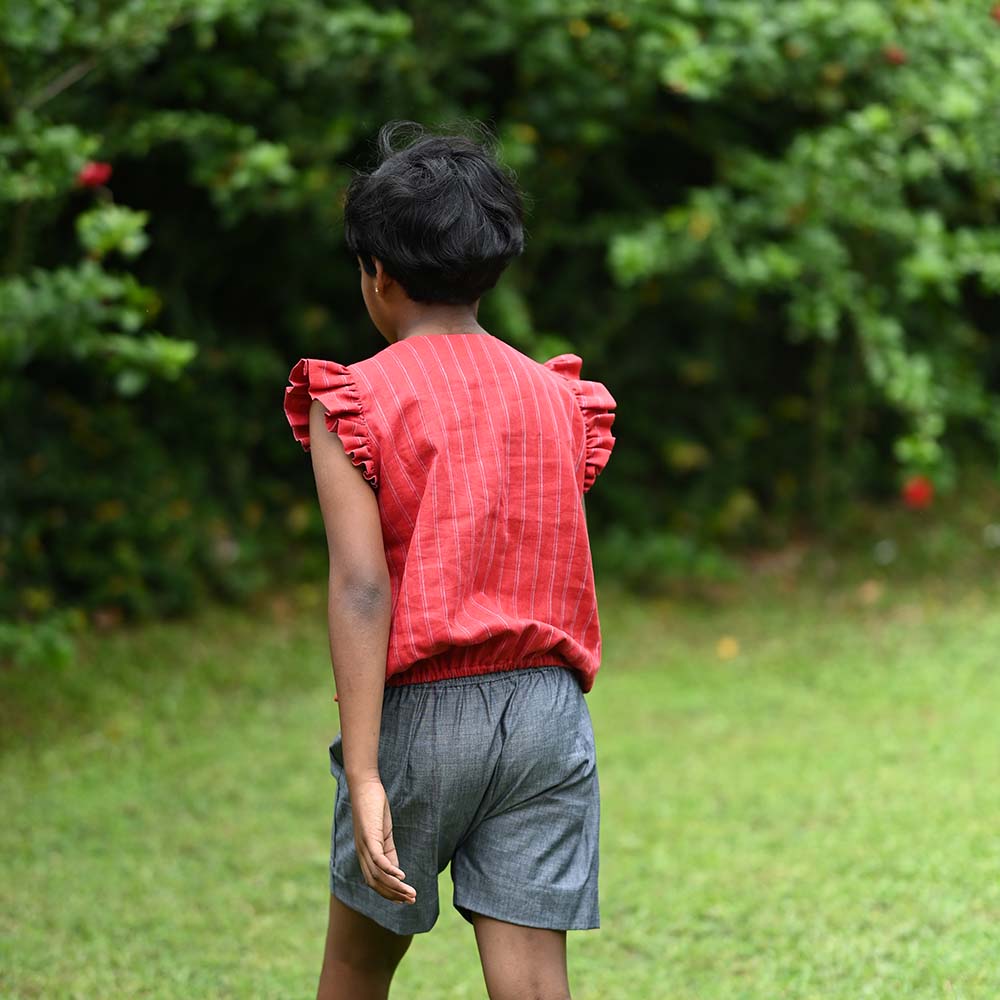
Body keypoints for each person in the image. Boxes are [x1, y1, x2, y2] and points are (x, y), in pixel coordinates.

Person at [282, 120, 617, 1000]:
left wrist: (364, 772)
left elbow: (361, 586)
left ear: (379, 274)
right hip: (550, 714)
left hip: (421, 720)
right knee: (536, 986)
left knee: (356, 970)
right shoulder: (562, 398)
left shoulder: (353, 398)